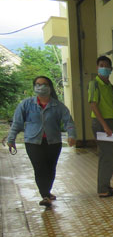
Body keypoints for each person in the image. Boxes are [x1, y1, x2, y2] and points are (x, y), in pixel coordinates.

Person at [5, 76, 76, 207]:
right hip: (33, 142)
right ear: (34, 87)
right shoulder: (26, 104)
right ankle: (44, 195)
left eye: (44, 84)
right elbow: (17, 123)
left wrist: (71, 135)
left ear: (50, 87)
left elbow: (68, 122)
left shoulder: (57, 106)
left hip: (53, 142)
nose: (41, 87)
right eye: (38, 84)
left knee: (50, 168)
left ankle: (47, 192)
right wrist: (11, 139)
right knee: (39, 168)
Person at [88, 55, 113, 198]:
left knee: (110, 157)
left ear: (111, 69)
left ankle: (106, 186)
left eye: (106, 66)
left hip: (110, 122)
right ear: (97, 67)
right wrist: (105, 126)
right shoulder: (94, 84)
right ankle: (103, 189)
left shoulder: (109, 86)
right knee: (106, 157)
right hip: (100, 123)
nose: (104, 68)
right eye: (101, 65)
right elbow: (93, 105)